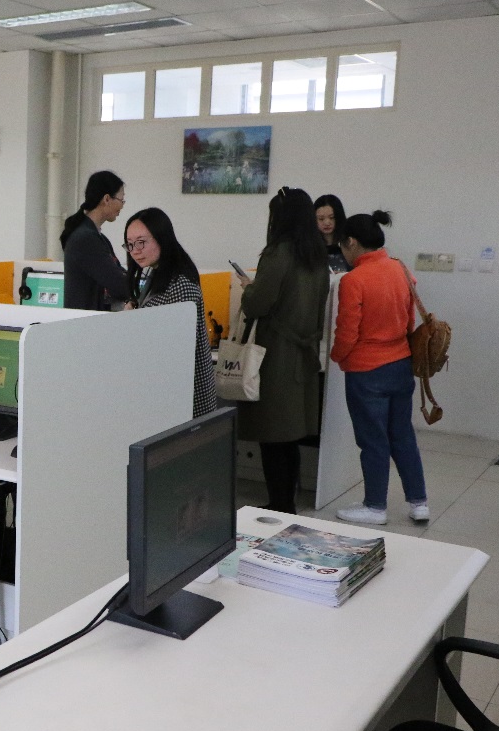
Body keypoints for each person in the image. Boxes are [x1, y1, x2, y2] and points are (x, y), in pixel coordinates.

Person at [233, 187, 330, 514]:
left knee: (272, 434)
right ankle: (286, 502)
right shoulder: (317, 256)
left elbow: (259, 304)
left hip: (276, 356)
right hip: (304, 355)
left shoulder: (278, 253)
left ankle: (279, 504)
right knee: (290, 436)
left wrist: (249, 289)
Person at [329, 211, 429, 526]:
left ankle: (375, 507)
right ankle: (419, 502)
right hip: (400, 364)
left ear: (351, 242)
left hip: (366, 370)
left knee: (373, 440)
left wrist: (337, 356)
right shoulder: (401, 269)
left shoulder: (353, 280)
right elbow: (409, 320)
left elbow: (348, 331)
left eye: (342, 246)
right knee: (402, 435)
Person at [123, 207, 217, 418]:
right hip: (171, 394)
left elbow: (176, 349)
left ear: (161, 238)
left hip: (187, 400)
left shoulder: (180, 283)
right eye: (130, 244)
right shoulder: (157, 274)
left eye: (141, 242)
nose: (135, 250)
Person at [62, 170, 131, 310]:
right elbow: (118, 285)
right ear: (107, 199)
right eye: (121, 200)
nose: (122, 205)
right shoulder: (85, 239)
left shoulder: (98, 238)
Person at [314, 193, 350, 272]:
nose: (327, 223)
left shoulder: (349, 245)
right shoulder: (310, 247)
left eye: (332, 217)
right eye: (321, 219)